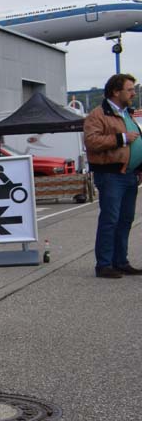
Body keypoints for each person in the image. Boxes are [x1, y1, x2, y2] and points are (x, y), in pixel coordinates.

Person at [82, 73, 142, 278]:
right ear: (116, 92)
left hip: (129, 175)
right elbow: (91, 141)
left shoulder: (127, 113)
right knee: (110, 219)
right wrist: (121, 138)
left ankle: (120, 261)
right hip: (111, 175)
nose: (133, 93)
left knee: (125, 219)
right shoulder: (98, 115)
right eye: (130, 89)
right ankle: (104, 264)